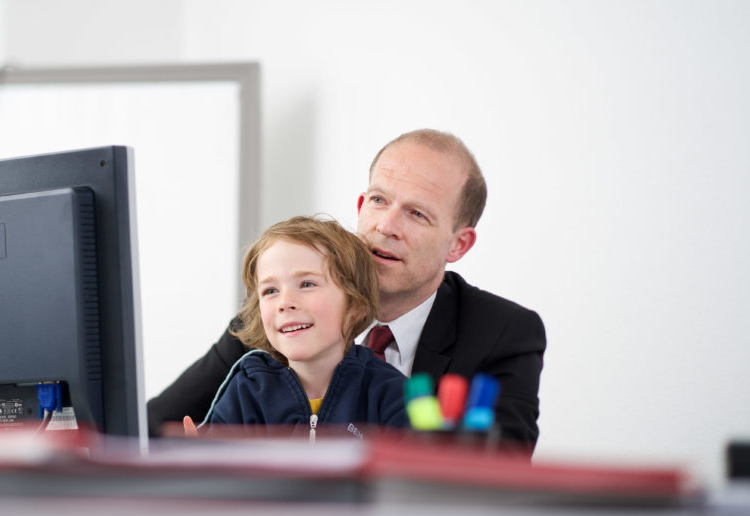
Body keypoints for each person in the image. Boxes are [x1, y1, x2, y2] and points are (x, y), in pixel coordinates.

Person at [148, 129, 546, 452]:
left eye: (417, 213)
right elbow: (148, 428)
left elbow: (499, 475)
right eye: (378, 200)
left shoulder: (504, 333)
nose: (386, 225)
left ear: (458, 244)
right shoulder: (280, 314)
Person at [201, 216, 406, 436]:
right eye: (271, 291)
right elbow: (221, 466)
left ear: (355, 304)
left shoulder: (392, 395)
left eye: (307, 284)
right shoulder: (246, 390)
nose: (285, 302)